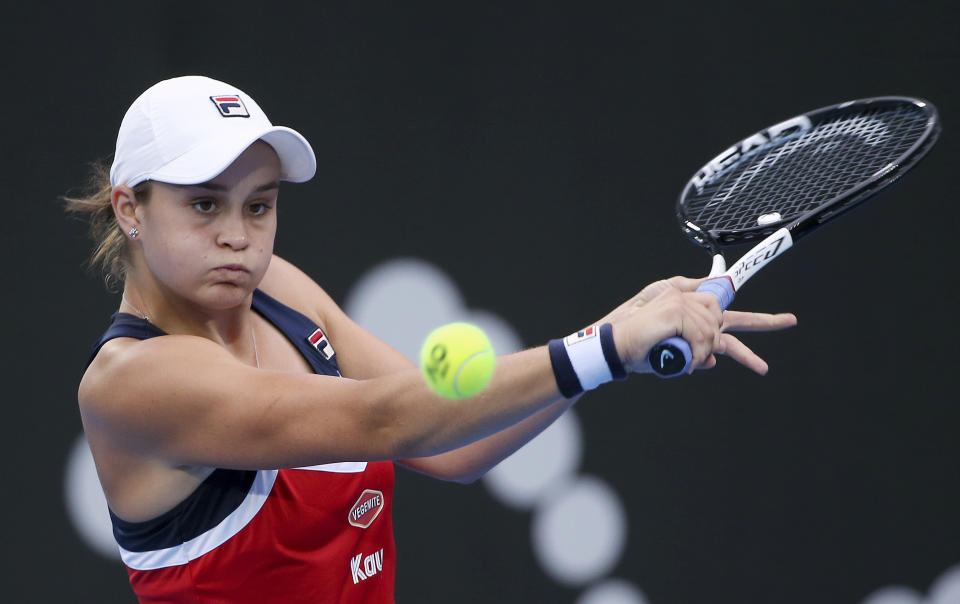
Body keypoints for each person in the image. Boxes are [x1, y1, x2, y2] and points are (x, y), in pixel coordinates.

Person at [67, 75, 797, 603]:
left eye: (260, 206)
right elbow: (383, 419)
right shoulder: (133, 383)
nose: (238, 236)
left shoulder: (277, 290)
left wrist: (613, 344)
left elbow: (455, 446)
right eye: (204, 204)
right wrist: (606, 345)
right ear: (130, 209)